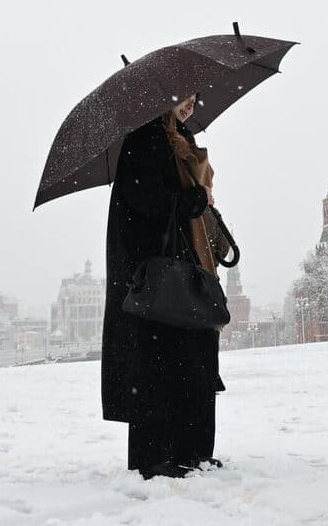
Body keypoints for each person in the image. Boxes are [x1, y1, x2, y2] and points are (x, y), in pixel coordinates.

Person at [103, 95, 223, 480]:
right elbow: (141, 199)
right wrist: (186, 200)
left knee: (194, 359)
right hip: (158, 271)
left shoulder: (181, 139)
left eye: (193, 100)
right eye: (182, 100)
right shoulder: (146, 139)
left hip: (185, 264)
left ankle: (193, 449)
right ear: (161, 101)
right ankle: (156, 455)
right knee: (160, 362)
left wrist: (198, 199)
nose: (189, 106)